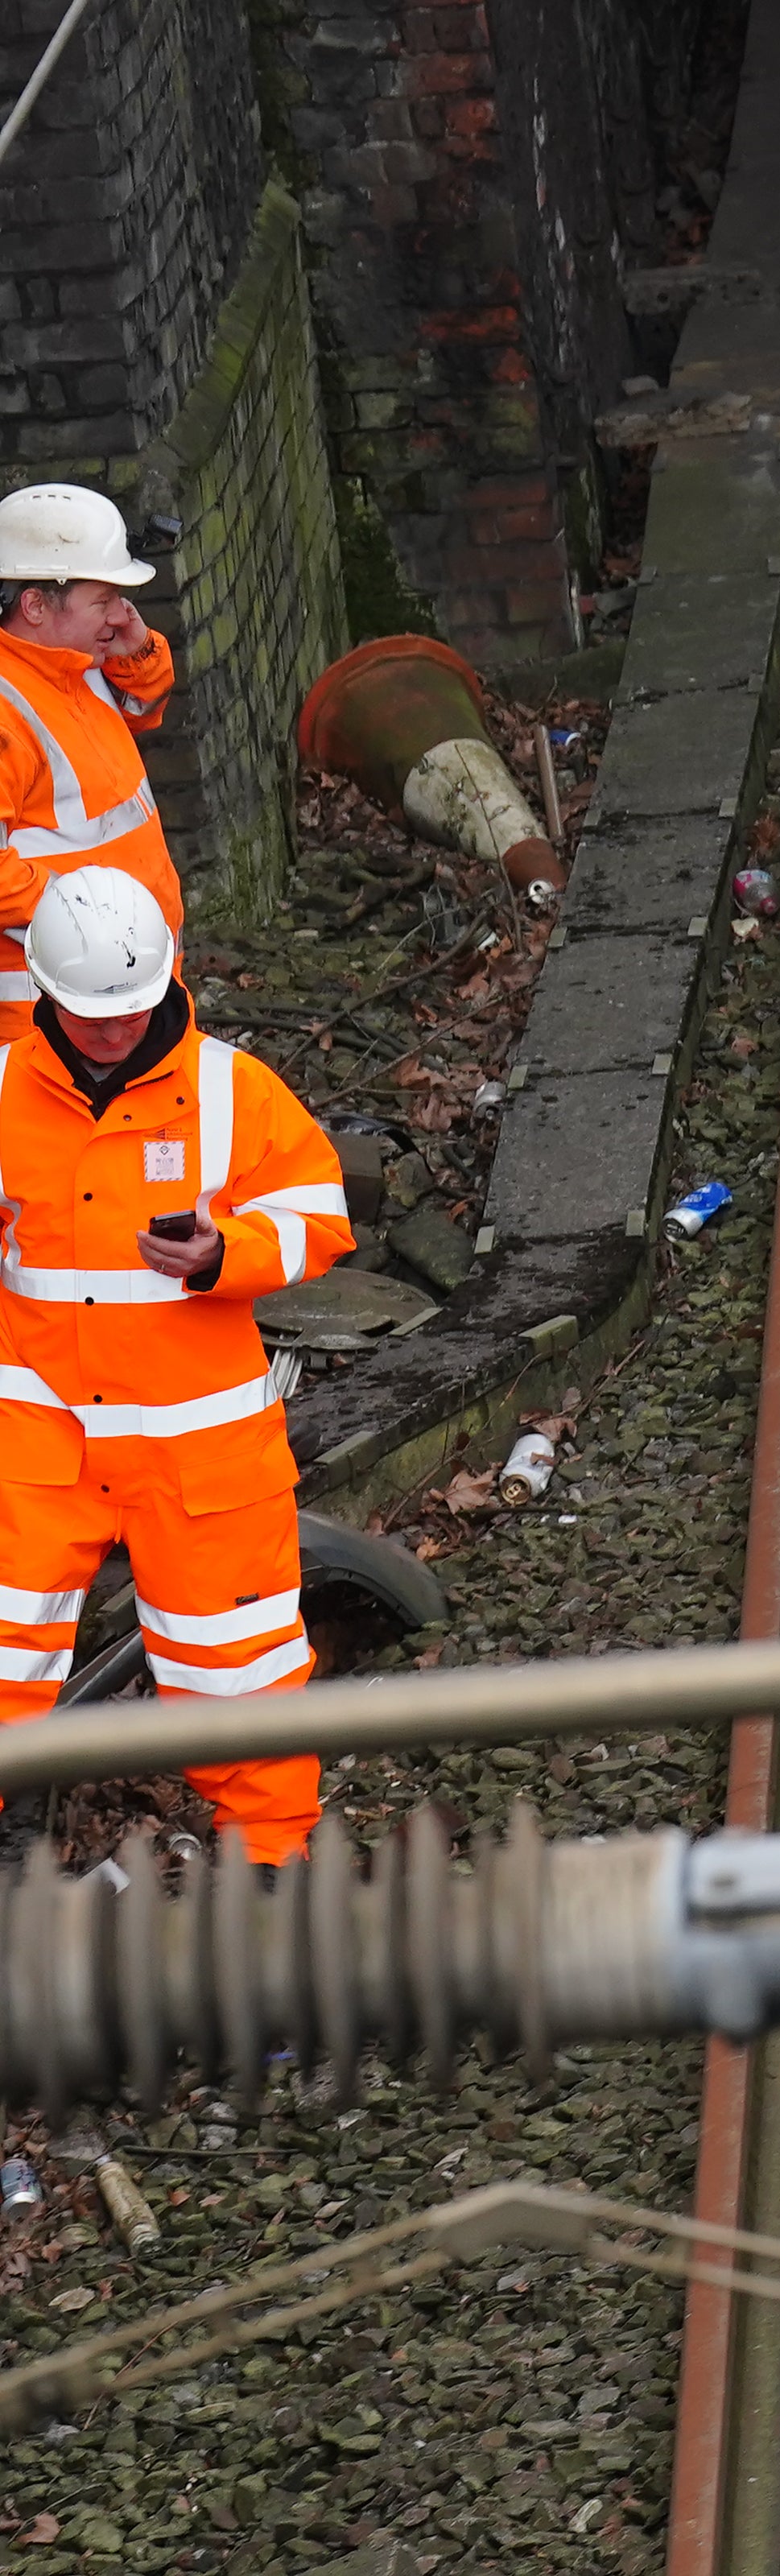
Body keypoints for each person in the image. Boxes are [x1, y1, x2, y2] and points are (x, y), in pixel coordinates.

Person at [0, 867, 350, 1864]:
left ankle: (274, 1872)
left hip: (197, 1449)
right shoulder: (2, 1093)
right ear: (45, 997)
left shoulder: (235, 1091)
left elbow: (318, 1216)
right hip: (40, 1439)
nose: (113, 1032)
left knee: (236, 1671)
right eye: (90, 1017)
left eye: (130, 1012)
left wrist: (223, 1254)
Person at [0, 485, 182, 1012]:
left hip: (119, 991)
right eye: (103, 600)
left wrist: (137, 646)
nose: (121, 615)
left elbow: (144, 709)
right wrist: (89, 915)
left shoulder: (69, 666)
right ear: (34, 604)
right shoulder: (10, 713)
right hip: (54, 1019)